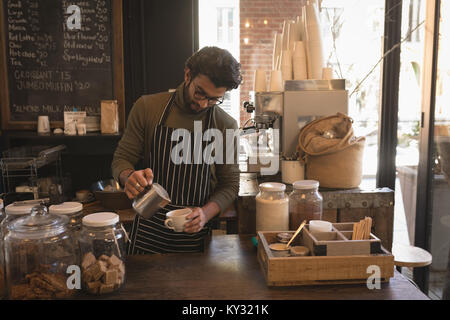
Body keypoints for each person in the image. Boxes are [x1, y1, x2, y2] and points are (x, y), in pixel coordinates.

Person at [112, 46, 242, 254]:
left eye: (213, 99)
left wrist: (205, 214)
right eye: (200, 92)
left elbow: (230, 185)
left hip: (195, 237)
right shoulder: (147, 108)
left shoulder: (225, 125)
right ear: (188, 74)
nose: (203, 103)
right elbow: (121, 159)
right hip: (148, 231)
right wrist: (128, 178)